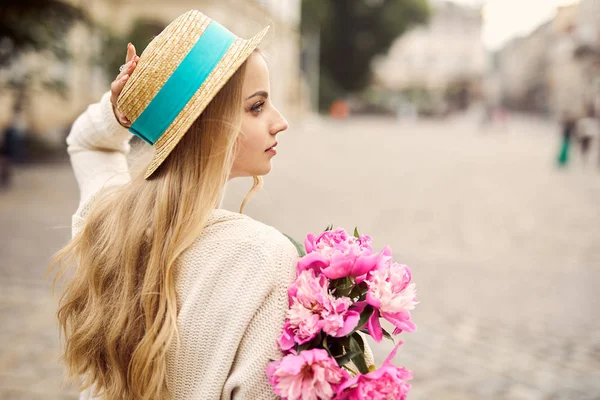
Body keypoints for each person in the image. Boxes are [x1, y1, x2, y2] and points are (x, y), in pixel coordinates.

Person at [51, 10, 312, 399]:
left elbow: (87, 141)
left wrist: (117, 111)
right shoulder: (265, 257)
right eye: (256, 107)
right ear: (206, 124)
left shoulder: (106, 221)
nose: (280, 121)